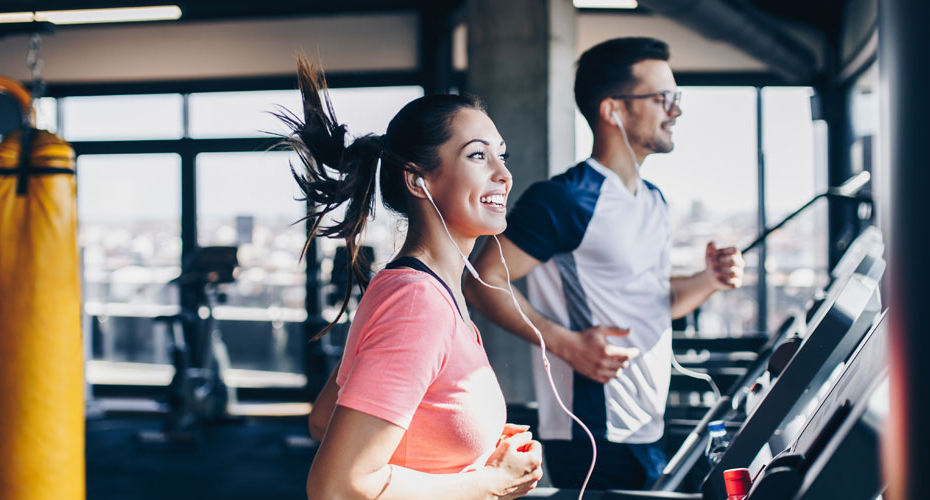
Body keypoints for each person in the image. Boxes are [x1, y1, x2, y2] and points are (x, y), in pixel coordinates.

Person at [462, 37, 746, 490]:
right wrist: (566, 343)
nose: (676, 111)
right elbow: (481, 280)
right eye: (663, 99)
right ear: (613, 110)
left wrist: (709, 279)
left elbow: (655, 300)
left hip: (649, 422)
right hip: (592, 425)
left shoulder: (653, 200)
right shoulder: (566, 200)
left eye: (677, 98)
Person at [282, 57, 542, 500]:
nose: (503, 174)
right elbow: (337, 486)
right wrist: (491, 483)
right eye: (478, 155)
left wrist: (468, 445)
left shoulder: (428, 292)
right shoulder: (416, 303)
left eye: (502, 154)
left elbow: (326, 418)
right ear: (419, 181)